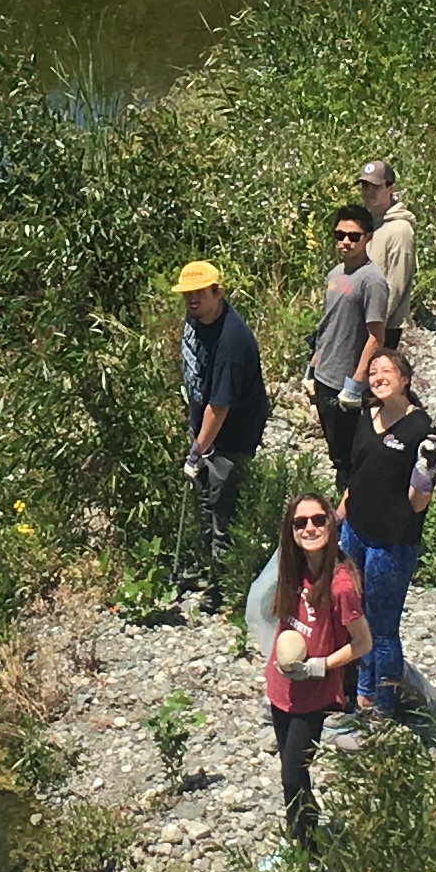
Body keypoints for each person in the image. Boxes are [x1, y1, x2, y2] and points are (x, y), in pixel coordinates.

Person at [262, 493, 367, 849]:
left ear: (331, 524)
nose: (310, 527)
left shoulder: (340, 586)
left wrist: (319, 666)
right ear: (290, 531)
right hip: (282, 685)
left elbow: (363, 643)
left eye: (319, 519)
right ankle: (300, 841)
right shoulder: (293, 569)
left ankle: (308, 852)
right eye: (300, 522)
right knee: (292, 774)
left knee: (293, 775)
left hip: (314, 694)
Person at [340, 344, 436, 715]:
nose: (378, 378)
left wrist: (426, 471)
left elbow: (417, 503)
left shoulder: (421, 430)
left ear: (405, 380)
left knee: (382, 628)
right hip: (354, 532)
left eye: (388, 372)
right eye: (374, 371)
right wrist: (337, 517)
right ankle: (362, 692)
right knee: (355, 616)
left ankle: (385, 704)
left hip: (390, 544)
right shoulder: (367, 417)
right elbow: (356, 477)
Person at [175, 259, 269, 613]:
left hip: (232, 434)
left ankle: (223, 584)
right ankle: (204, 566)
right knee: (203, 499)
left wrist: (197, 451)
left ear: (219, 292)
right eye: (187, 294)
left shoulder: (232, 341)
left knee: (222, 506)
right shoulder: (197, 319)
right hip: (205, 427)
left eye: (200, 292)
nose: (192, 300)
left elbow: (220, 405)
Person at [307, 207, 381, 477]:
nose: (346, 242)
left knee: (350, 455)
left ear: (367, 237)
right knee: (335, 449)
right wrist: (315, 360)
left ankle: (352, 507)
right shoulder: (335, 274)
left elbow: (376, 335)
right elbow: (330, 320)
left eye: (354, 236)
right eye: (340, 235)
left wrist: (357, 383)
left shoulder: (372, 280)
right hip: (325, 374)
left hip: (346, 382)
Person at [355, 161, 416, 347]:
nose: (369, 191)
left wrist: (375, 324)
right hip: (359, 321)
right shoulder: (368, 222)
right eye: (365, 186)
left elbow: (396, 284)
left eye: (376, 186)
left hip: (382, 327)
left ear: (391, 187)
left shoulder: (400, 229)